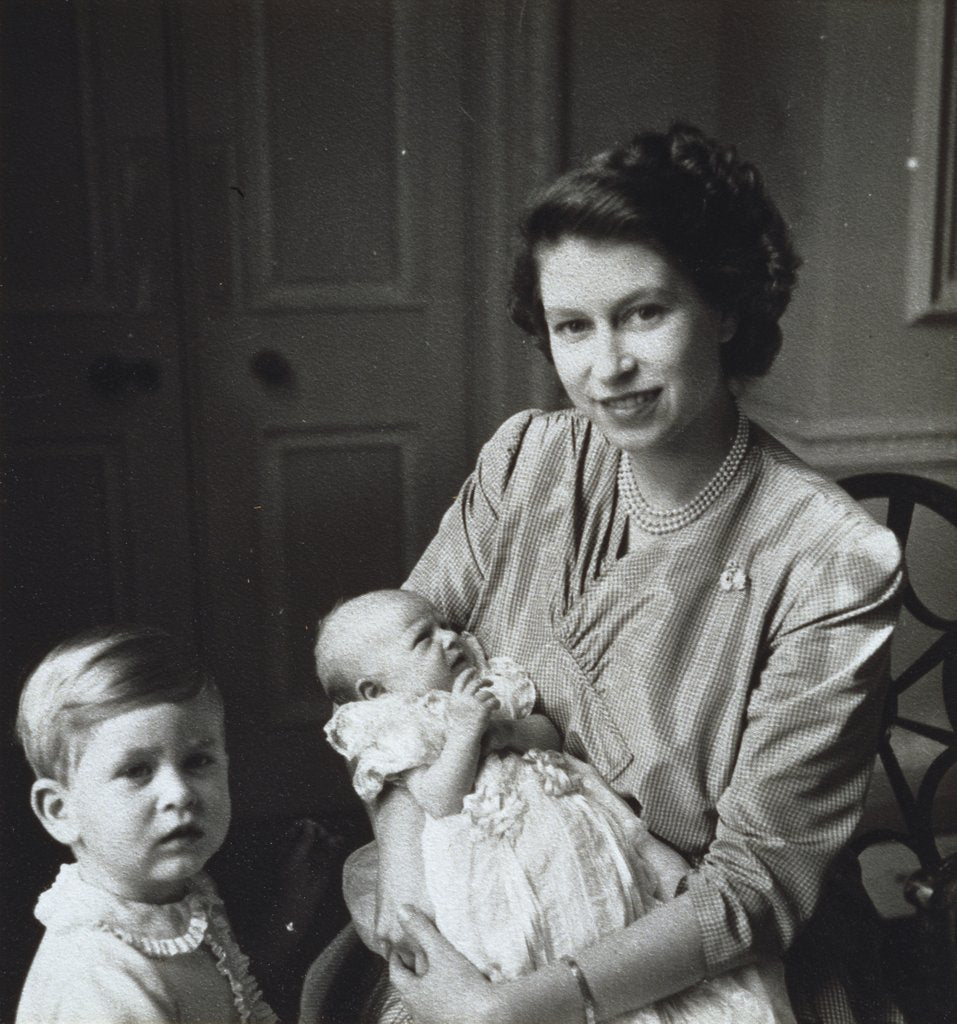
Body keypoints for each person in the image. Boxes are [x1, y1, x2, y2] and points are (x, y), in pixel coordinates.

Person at [336, 121, 905, 1024]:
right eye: (573, 326)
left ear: (721, 309)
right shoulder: (525, 461)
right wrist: (426, 921)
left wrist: (511, 1010)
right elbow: (388, 709)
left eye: (644, 313)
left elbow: (753, 890)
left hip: (697, 961)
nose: (607, 368)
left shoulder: (829, 559)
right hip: (481, 908)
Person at [315, 587, 796, 1023]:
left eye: (447, 625)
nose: (451, 638)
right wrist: (463, 733)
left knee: (617, 893)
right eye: (425, 638)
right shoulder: (403, 725)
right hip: (491, 860)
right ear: (375, 693)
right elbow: (438, 799)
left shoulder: (487, 684)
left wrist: (507, 730)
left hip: (566, 815)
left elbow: (548, 735)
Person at [14, 625, 278, 1024]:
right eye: (136, 770)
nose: (180, 793)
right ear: (61, 811)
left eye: (198, 762)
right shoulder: (98, 972)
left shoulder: (178, 907)